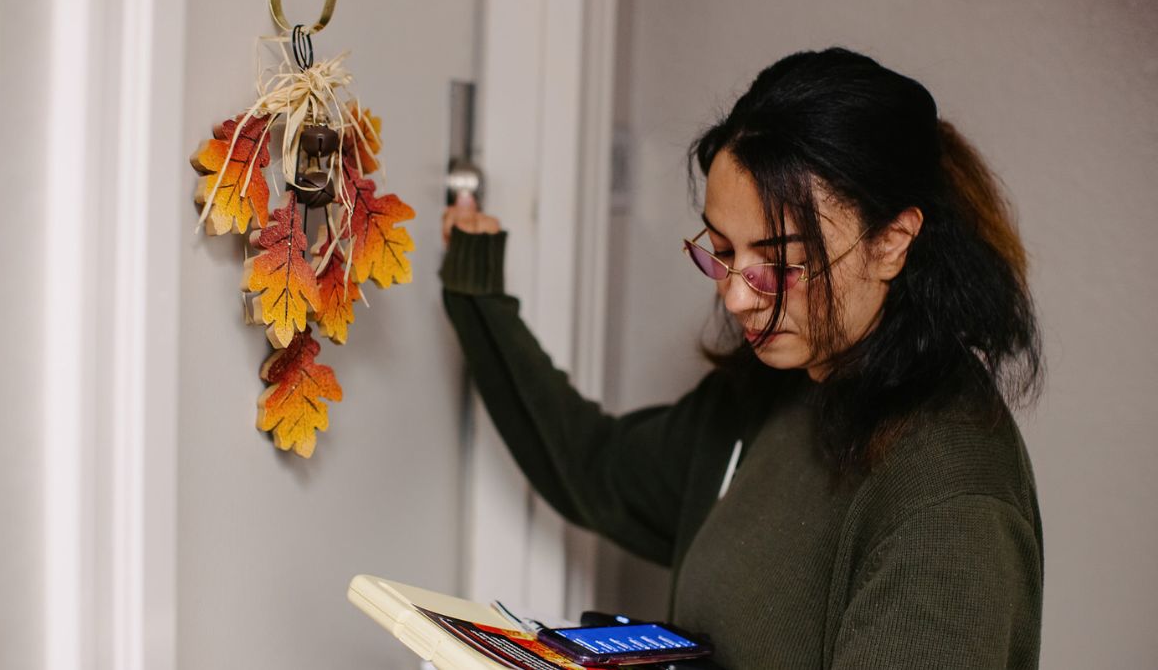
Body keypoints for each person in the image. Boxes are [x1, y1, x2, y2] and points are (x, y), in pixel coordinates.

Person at [439, 47, 1043, 668]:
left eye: (781, 261)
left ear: (891, 242)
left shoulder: (951, 500)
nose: (734, 295)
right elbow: (596, 468)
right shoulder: (780, 385)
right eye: (723, 250)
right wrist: (478, 295)